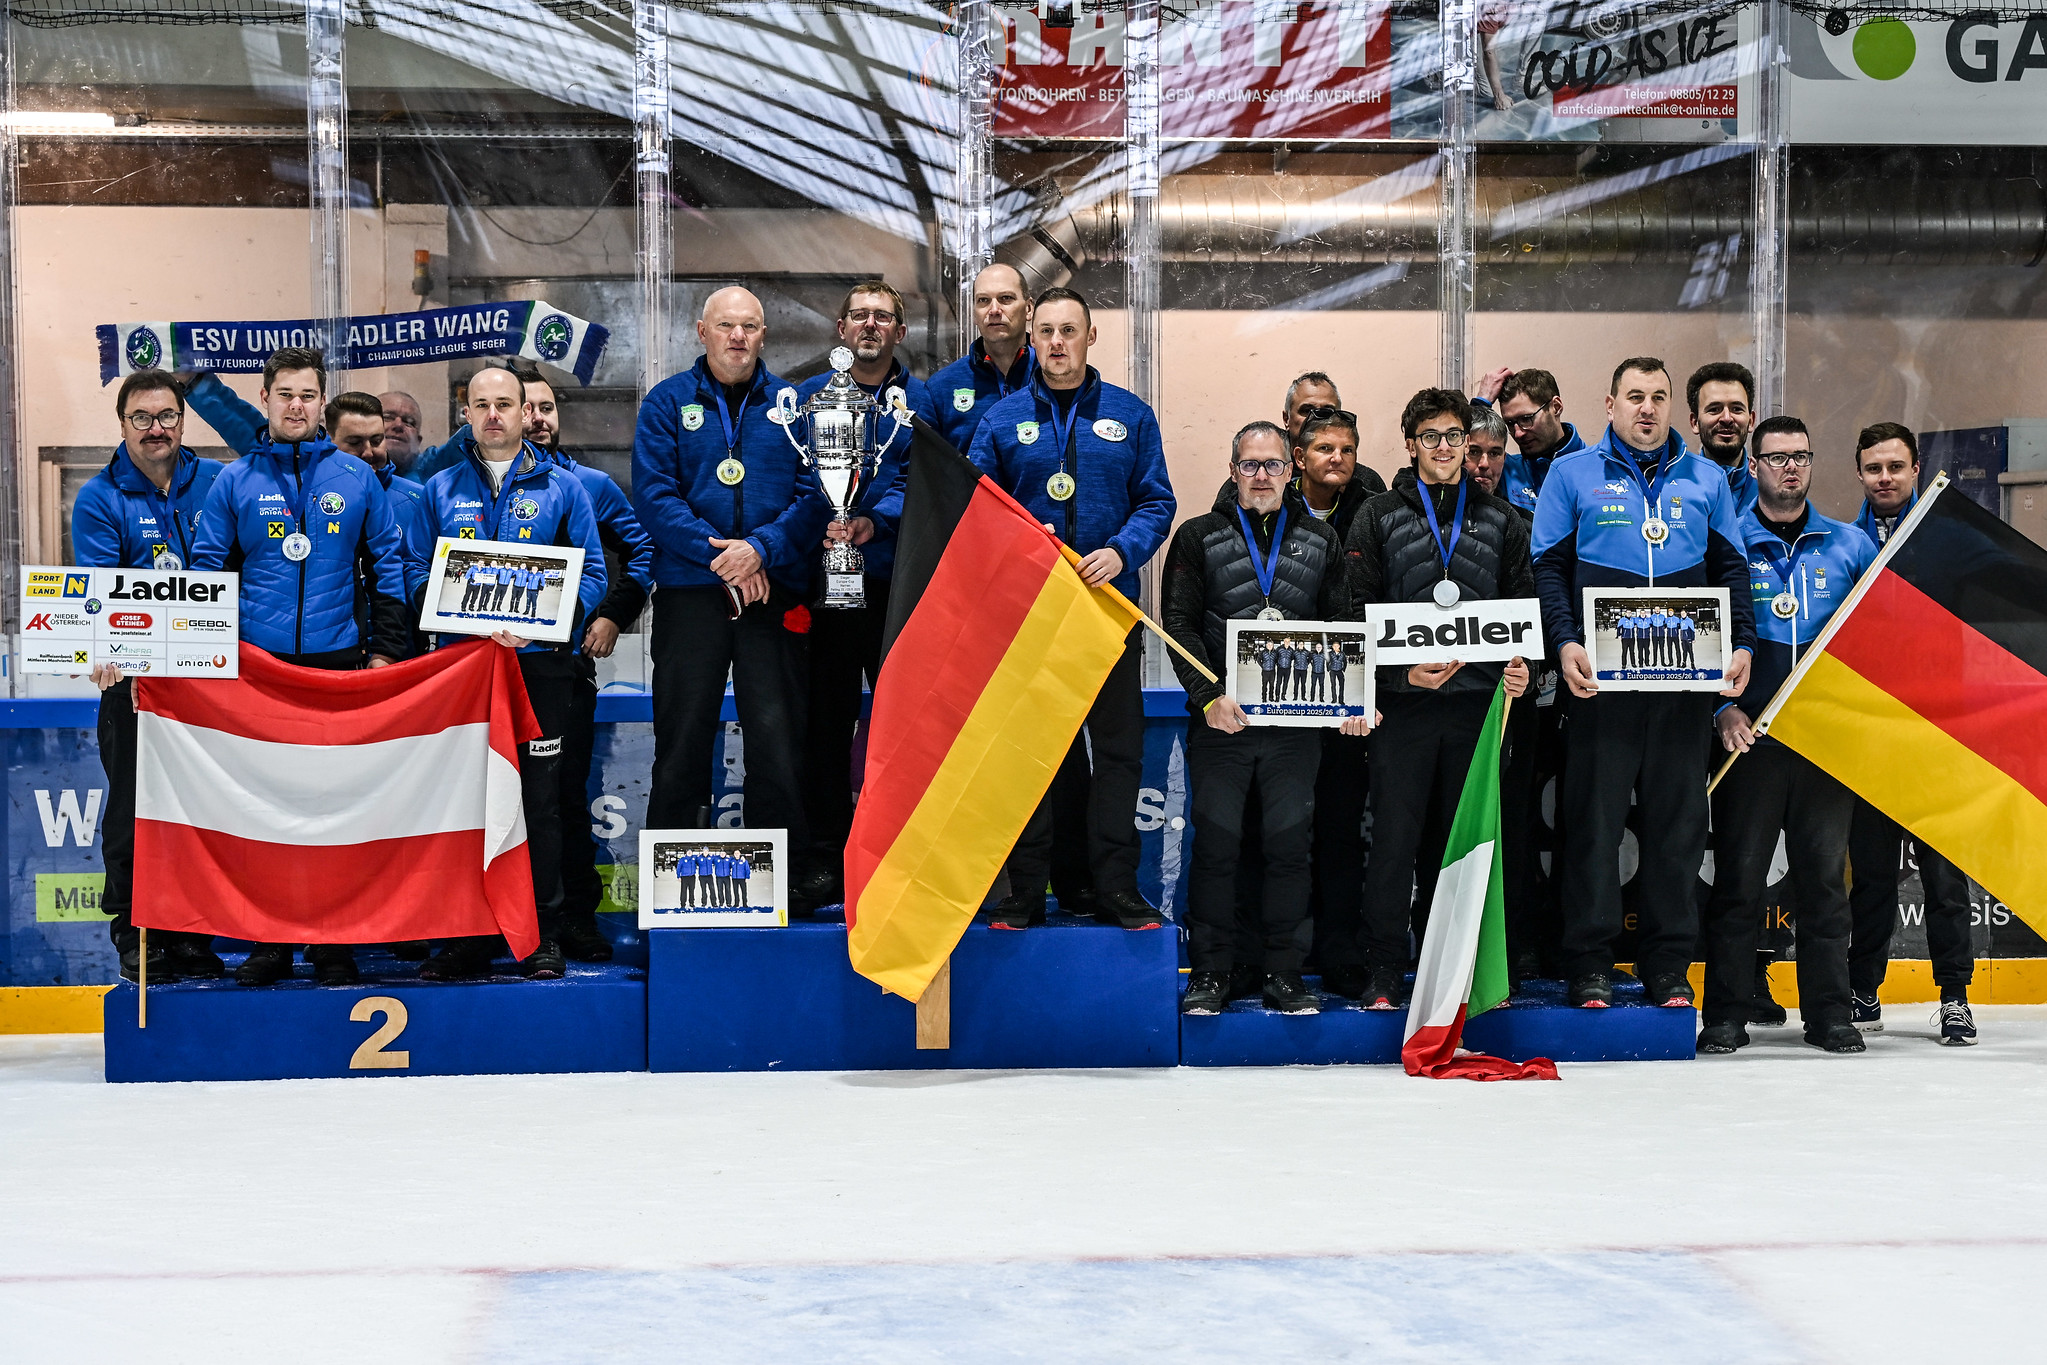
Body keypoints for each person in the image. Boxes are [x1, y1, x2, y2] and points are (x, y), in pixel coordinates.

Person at [1532, 356, 1755, 1008]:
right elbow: (1547, 570)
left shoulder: (1706, 479)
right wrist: (1565, 642)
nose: (1647, 408)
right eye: (1634, 396)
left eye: (1658, 396)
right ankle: (1590, 964)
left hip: (1682, 689)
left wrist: (1740, 644)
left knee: (1676, 832)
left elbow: (1731, 570)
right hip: (1599, 691)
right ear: (1608, 404)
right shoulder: (1570, 476)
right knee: (1592, 829)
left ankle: (1665, 967)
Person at [190, 346, 412, 987]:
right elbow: (209, 571)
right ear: (265, 401)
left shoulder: (355, 475)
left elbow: (386, 569)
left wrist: (385, 652)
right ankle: (269, 943)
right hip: (258, 670)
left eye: (307, 395)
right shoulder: (233, 480)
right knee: (263, 813)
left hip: (337, 666)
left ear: (322, 402)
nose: (296, 406)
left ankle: (334, 943)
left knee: (333, 809)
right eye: (284, 394)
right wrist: (213, 657)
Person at [968, 286, 1176, 931]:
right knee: (1032, 755)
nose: (1058, 343)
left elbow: (1158, 503)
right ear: (1031, 340)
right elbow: (974, 511)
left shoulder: (1131, 416)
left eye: (1070, 331)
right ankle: (1027, 891)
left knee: (1117, 756)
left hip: (1107, 616)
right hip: (1030, 619)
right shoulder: (1001, 422)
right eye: (1047, 332)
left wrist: (1121, 553)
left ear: (1091, 338)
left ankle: (1115, 889)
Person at [407, 364, 608, 981]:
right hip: (463, 671)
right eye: (481, 404)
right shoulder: (438, 489)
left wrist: (545, 624)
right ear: (465, 414)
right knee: (467, 804)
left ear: (526, 413)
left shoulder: (565, 490)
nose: (493, 415)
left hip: (539, 670)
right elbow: (413, 572)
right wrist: (457, 614)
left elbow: (594, 575)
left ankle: (541, 934)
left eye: (505, 404)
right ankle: (468, 935)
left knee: (540, 804)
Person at [1163, 421, 1368, 1015]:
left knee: (1287, 849)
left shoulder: (1320, 540)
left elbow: (1343, 625)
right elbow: (1176, 623)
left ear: (1291, 470)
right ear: (1233, 471)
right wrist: (1209, 696)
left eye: (1272, 465)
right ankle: (1211, 972)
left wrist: (1353, 698)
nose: (1261, 475)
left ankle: (1285, 973)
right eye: (1250, 465)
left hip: (1295, 728)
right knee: (1219, 848)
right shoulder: (1197, 536)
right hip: (1220, 722)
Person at [1344, 388, 1533, 1008]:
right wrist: (1397, 681)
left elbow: (1521, 613)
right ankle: (1383, 973)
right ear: (1411, 444)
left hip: (1478, 710)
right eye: (1432, 437)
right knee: (1395, 846)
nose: (1447, 448)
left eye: (1455, 437)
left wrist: (1520, 670)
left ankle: (1461, 973)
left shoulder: (1503, 519)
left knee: (1468, 846)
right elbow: (1356, 612)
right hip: (1405, 710)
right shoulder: (1377, 515)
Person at [633, 287, 829, 884]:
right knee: (682, 736)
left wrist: (761, 551)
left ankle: (783, 878)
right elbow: (654, 496)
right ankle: (670, 880)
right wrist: (725, 559)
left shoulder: (793, 406)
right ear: (702, 331)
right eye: (726, 326)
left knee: (776, 738)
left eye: (749, 326)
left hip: (771, 596)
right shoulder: (666, 403)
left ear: (763, 335)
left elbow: (816, 493)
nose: (738, 336)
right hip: (692, 597)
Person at [1700, 415, 1876, 1054]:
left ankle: (1830, 1015)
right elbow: (1696, 638)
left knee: (1825, 887)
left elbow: (1878, 645)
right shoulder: (1728, 543)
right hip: (1749, 744)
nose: (1790, 468)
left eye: (1800, 456)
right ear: (1754, 467)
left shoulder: (1851, 545)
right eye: (1776, 458)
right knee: (1739, 884)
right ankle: (1724, 1012)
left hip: (1824, 745)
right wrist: (1720, 711)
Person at [73, 369, 226, 985]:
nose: (156, 428)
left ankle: (190, 930)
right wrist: (119, 652)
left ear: (183, 421)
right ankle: (137, 929)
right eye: (142, 417)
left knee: (201, 809)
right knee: (135, 809)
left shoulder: (217, 481)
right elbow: (103, 595)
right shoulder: (100, 497)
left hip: (209, 687)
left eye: (167, 416)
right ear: (123, 424)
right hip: (132, 684)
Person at [795, 281, 941, 907]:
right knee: (825, 725)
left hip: (897, 588)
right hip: (825, 586)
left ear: (901, 333)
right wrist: (822, 518)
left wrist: (872, 519)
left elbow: (921, 479)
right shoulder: (802, 401)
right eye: (860, 316)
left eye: (884, 317)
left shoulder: (922, 402)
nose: (871, 326)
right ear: (841, 327)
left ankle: (902, 854)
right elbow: (796, 479)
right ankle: (826, 859)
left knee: (903, 726)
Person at [513, 361, 656, 962]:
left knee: (566, 797)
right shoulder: (464, 481)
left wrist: (611, 617)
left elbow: (642, 551)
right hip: (485, 672)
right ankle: (495, 919)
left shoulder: (590, 486)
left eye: (547, 408)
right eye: (528, 408)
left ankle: (574, 919)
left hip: (564, 670)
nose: (538, 419)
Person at [1844, 421, 1977, 1044]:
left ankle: (1954, 996)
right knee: (1870, 877)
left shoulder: (1947, 539)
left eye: (1896, 467)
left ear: (1916, 467)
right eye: (1874, 469)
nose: (1886, 479)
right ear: (1860, 473)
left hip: (1937, 738)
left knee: (1946, 880)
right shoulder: (1842, 543)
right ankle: (1863, 988)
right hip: (1872, 739)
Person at [929, 263, 1033, 454]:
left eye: (1006, 298)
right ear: (975, 314)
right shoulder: (941, 389)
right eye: (983, 300)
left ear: (1028, 309)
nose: (994, 310)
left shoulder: (1052, 377)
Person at [1472, 366, 1587, 512]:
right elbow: (1455, 465)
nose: (1518, 433)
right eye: (1510, 423)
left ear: (1556, 407)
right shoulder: (1502, 468)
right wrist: (1481, 403)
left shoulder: (1596, 468)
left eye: (1526, 419)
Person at [1687, 361, 1758, 513]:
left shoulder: (1771, 491)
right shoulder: (1677, 489)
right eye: (1714, 409)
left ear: (1751, 420)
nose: (1727, 418)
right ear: (1695, 422)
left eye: (1736, 409)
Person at [378, 391, 426, 476]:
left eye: (409, 422)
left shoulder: (429, 484)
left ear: (418, 441)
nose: (398, 425)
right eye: (387, 417)